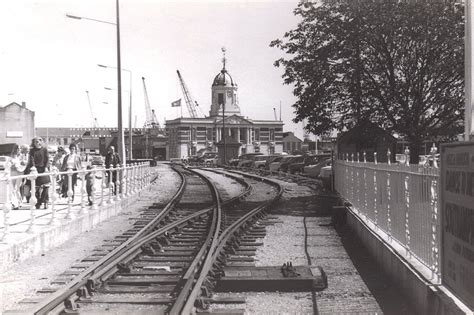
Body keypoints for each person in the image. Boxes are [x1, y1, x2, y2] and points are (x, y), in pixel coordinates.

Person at [24, 137, 50, 209]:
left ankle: (45, 201)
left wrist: (46, 167)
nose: (38, 143)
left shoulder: (44, 149)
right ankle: (38, 202)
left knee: (46, 185)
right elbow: (31, 159)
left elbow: (47, 159)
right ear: (34, 143)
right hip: (35, 169)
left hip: (43, 169)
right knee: (35, 187)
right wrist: (33, 167)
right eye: (36, 142)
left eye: (39, 141)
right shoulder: (32, 151)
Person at [9, 144, 27, 209]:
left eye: (19, 149)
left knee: (17, 188)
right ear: (15, 149)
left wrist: (22, 164)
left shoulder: (21, 157)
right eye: (18, 149)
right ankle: (15, 203)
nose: (19, 150)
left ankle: (19, 202)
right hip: (13, 173)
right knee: (13, 189)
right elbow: (8, 165)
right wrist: (11, 165)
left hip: (19, 173)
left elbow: (24, 165)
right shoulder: (11, 157)